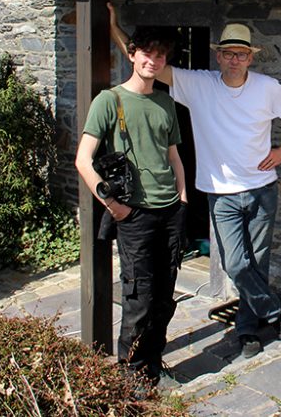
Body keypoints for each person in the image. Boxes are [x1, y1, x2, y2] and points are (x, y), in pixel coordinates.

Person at [108, 7, 281, 359]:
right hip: (222, 195)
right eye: (228, 53)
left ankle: (248, 330)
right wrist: (114, 27)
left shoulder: (267, 88)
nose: (234, 59)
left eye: (241, 54)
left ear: (250, 58)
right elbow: (146, 62)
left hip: (263, 189)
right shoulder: (199, 84)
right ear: (219, 56)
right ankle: (274, 311)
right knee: (236, 264)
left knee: (256, 263)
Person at [74, 26, 186, 385]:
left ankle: (153, 362)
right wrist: (113, 205)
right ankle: (132, 373)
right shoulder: (110, 100)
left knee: (165, 296)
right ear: (132, 54)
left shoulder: (165, 101)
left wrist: (183, 198)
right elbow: (83, 159)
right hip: (134, 214)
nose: (153, 61)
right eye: (147, 54)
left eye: (161, 56)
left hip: (170, 210)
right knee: (139, 295)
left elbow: (174, 155)